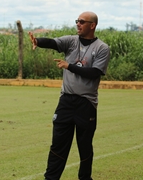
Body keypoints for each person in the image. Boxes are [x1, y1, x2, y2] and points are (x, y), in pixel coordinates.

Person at [29, 11, 110, 180]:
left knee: (84, 145)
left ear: (92, 25)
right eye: (77, 21)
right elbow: (53, 43)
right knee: (58, 144)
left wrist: (69, 66)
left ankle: (85, 178)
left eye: (82, 21)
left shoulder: (102, 48)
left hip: (86, 103)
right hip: (66, 100)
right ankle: (51, 178)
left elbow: (94, 73)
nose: (78, 24)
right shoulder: (71, 41)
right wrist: (38, 41)